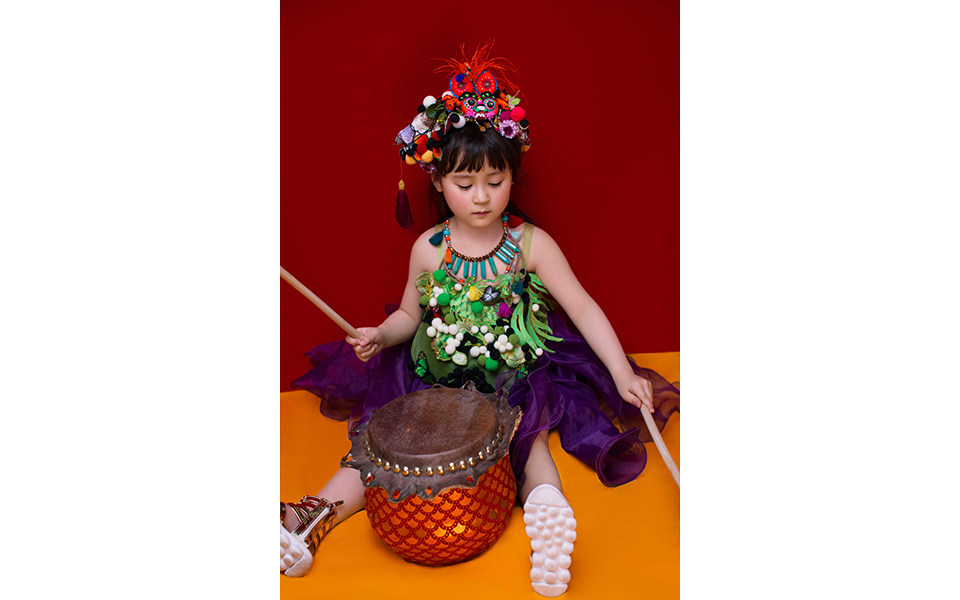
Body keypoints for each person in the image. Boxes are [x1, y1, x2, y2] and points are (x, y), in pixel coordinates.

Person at [280, 43, 679, 597]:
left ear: (513, 175)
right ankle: (309, 518)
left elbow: (584, 307)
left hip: (512, 380)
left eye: (496, 180)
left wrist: (621, 373)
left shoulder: (531, 244)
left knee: (526, 440)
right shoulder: (428, 248)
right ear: (438, 182)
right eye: (465, 185)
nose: (482, 197)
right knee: (377, 446)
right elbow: (409, 314)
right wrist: (380, 335)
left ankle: (549, 519)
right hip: (433, 381)